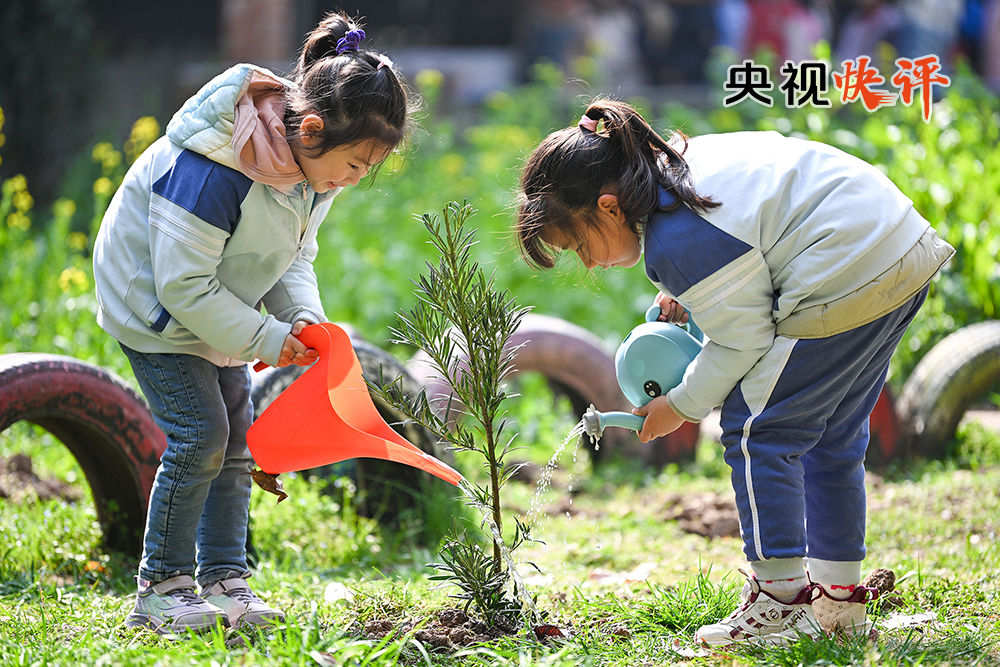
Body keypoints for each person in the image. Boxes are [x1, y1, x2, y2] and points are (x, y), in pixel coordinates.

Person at [514, 99, 954, 646]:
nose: (587, 262)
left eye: (579, 245)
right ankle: (838, 601)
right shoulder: (673, 168)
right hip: (897, 246)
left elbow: (743, 340)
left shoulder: (677, 240)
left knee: (758, 430)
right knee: (832, 435)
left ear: (608, 207)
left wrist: (679, 406)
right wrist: (693, 295)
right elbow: (749, 244)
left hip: (842, 267)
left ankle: (780, 602)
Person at [93, 11, 415, 635]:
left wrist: (303, 320)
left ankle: (225, 580)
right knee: (202, 436)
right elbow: (181, 285)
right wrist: (266, 336)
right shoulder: (214, 169)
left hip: (219, 305)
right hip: (156, 309)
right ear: (311, 129)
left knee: (239, 441)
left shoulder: (312, 172)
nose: (354, 181)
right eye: (355, 165)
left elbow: (291, 257)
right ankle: (162, 587)